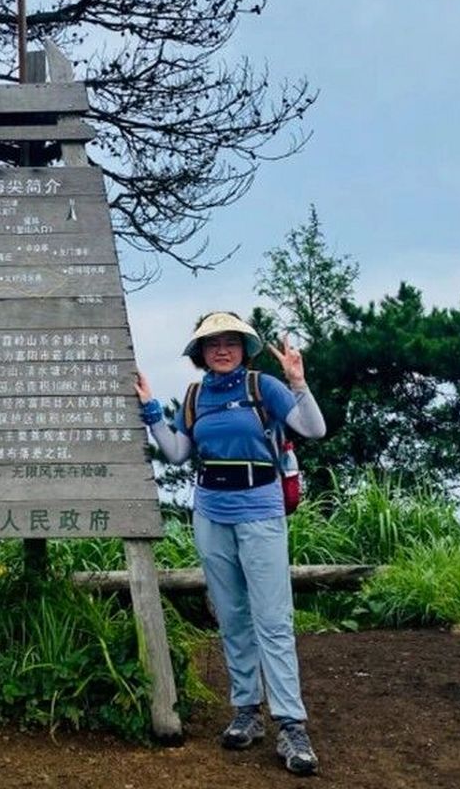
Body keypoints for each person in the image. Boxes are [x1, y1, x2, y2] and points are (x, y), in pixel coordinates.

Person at [135, 311, 327, 776]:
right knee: (233, 616)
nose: (222, 349)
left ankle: (291, 724)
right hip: (211, 512)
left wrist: (298, 382)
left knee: (273, 619)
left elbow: (313, 428)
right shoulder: (197, 396)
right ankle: (247, 711)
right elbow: (179, 452)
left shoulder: (265, 388)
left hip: (260, 508)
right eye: (212, 343)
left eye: (231, 342)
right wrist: (150, 410)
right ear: (200, 354)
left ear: (244, 348)